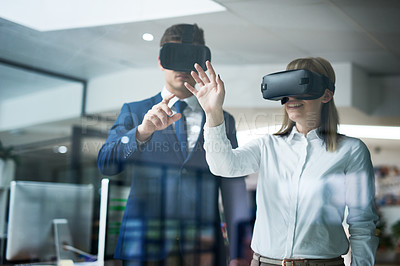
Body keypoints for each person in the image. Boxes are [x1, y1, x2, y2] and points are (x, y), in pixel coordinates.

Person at [184, 58, 379, 266]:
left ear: (326, 94)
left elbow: (362, 223)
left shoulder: (351, 151)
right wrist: (213, 114)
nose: (291, 97)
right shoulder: (267, 146)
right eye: (286, 88)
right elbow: (222, 166)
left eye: (301, 86)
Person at [97, 23, 249, 266]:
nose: (182, 66)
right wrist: (142, 131)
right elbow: (106, 164)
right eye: (175, 55)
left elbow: (233, 186)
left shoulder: (222, 119)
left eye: (190, 57)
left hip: (204, 249)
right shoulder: (135, 111)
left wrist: (240, 252)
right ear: (161, 60)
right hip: (144, 245)